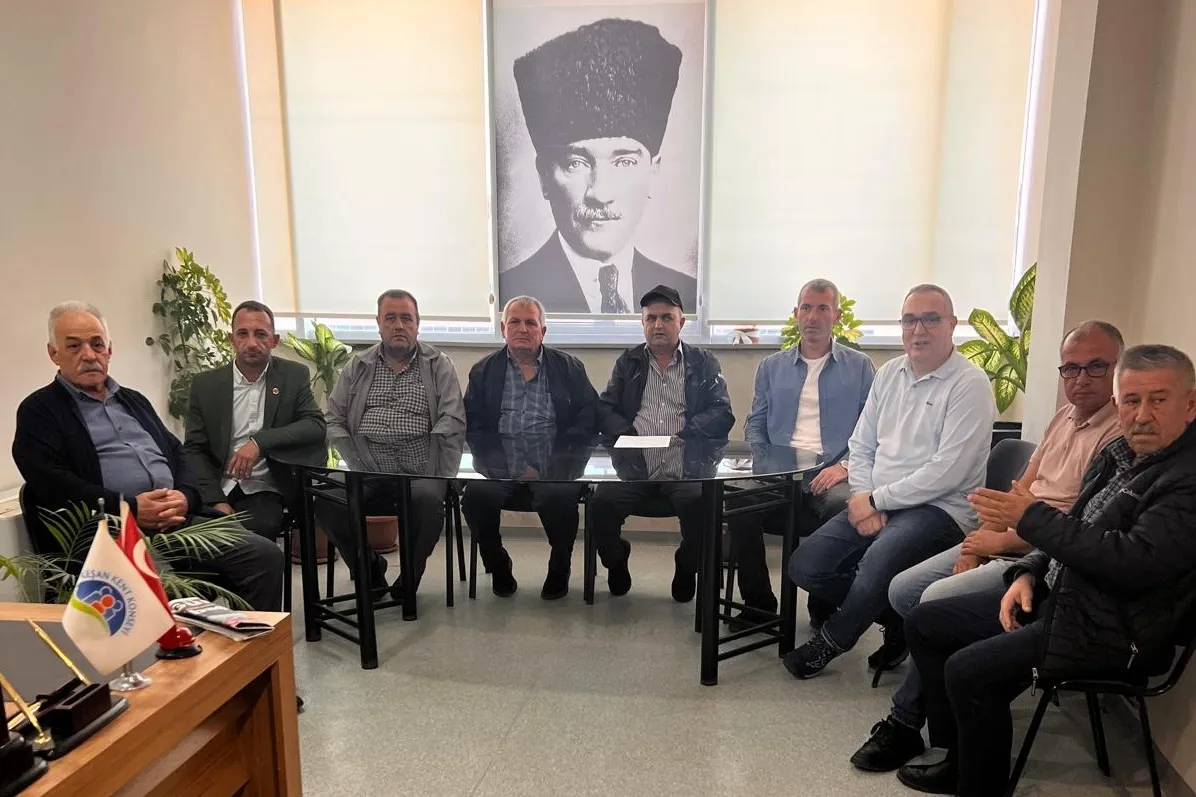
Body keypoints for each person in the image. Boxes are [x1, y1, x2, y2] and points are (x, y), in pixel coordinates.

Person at [896, 344, 1196, 797]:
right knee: (925, 622)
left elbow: (1130, 562)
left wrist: (1030, 518)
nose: (1142, 415)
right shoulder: (1119, 454)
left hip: (1115, 628)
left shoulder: (1186, 479)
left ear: (1190, 404)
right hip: (1067, 598)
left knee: (968, 671)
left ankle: (979, 785)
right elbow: (1079, 525)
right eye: (1132, 401)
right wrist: (1029, 572)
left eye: (1158, 399)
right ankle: (959, 757)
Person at [850, 320, 1124, 773]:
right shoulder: (1063, 417)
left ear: (1117, 369)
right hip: (1010, 536)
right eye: (1070, 368)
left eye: (1096, 367)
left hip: (1042, 556)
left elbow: (1078, 525)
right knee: (903, 589)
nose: (1081, 378)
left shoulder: (1118, 437)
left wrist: (1001, 539)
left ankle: (907, 720)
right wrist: (975, 545)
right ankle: (948, 709)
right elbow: (1018, 492)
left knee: (932, 603)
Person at [13, 301, 284, 611]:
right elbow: (50, 483)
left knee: (265, 557)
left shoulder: (133, 401)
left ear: (109, 350)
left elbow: (177, 454)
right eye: (74, 346)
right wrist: (130, 508)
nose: (88, 354)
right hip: (112, 532)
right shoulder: (39, 411)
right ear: (54, 354)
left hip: (178, 521)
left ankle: (251, 644)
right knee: (165, 591)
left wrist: (185, 497)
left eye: (97, 344)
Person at [784, 284, 995, 679]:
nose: (919, 329)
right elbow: (861, 445)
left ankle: (830, 642)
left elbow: (946, 472)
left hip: (940, 509)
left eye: (930, 319)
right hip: (879, 499)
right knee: (806, 565)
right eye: (910, 320)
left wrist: (876, 500)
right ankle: (898, 619)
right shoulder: (888, 374)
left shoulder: (970, 385)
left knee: (875, 563)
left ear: (952, 324)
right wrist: (863, 494)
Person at [499, 18, 697, 314]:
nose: (600, 194)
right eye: (576, 163)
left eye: (625, 162)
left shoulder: (686, 294)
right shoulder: (516, 301)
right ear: (544, 177)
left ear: (653, 172)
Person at [730, 278, 875, 621]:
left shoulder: (860, 367)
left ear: (836, 315)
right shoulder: (771, 367)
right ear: (796, 313)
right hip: (779, 471)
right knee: (737, 502)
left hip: (832, 473)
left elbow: (875, 430)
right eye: (806, 308)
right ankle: (758, 605)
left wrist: (846, 467)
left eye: (822, 308)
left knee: (844, 505)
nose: (813, 317)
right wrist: (765, 462)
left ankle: (823, 605)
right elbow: (756, 423)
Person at [589, 284, 734, 600]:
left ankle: (687, 565)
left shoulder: (703, 362)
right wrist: (628, 435)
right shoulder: (628, 362)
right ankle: (616, 560)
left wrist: (688, 433)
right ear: (642, 323)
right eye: (651, 318)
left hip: (685, 466)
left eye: (666, 317)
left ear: (681, 322)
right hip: (635, 466)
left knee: (702, 505)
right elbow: (606, 408)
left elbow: (722, 412)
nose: (658, 325)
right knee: (600, 504)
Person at [318, 289, 466, 598]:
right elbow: (334, 418)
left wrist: (442, 475)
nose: (399, 325)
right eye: (391, 318)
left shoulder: (439, 365)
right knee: (327, 498)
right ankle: (369, 568)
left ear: (417, 324)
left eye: (406, 318)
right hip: (366, 467)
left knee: (428, 502)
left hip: (421, 469)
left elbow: (452, 419)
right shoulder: (358, 365)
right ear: (378, 323)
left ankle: (411, 573)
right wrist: (354, 459)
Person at [462, 295, 598, 599]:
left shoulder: (569, 368)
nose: (522, 329)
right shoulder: (483, 371)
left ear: (543, 331)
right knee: (475, 498)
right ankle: (498, 564)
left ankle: (559, 566)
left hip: (554, 460)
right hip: (499, 463)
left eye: (530, 323)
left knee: (558, 496)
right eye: (515, 322)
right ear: (503, 329)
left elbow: (588, 417)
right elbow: (473, 423)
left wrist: (559, 461)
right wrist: (498, 465)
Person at [184, 300, 327, 539]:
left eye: (261, 334)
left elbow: (315, 425)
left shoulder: (293, 375)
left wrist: (260, 442)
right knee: (194, 537)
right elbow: (194, 448)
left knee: (256, 532)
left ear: (274, 340)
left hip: (263, 487)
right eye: (243, 334)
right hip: (216, 485)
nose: (251, 343)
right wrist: (216, 501)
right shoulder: (205, 385)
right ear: (231, 339)